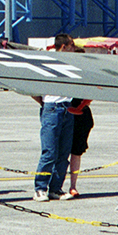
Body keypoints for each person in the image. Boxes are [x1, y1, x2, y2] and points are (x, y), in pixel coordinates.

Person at [32, 34, 77, 202]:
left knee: (63, 152)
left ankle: (56, 187)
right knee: (49, 152)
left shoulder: (71, 64)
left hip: (68, 108)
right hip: (53, 108)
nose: (74, 48)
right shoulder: (49, 62)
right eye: (71, 45)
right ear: (64, 46)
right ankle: (40, 187)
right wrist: (44, 103)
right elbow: (32, 88)